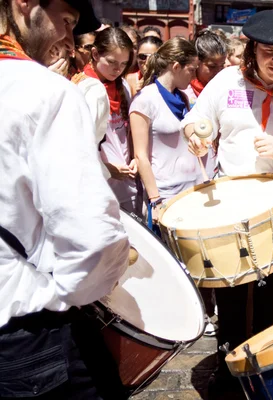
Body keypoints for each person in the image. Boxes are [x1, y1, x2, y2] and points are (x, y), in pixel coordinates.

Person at [180, 9, 273, 395]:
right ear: (253, 50)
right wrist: (195, 136)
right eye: (269, 51)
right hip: (230, 207)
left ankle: (264, 374)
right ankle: (228, 368)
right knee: (230, 294)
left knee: (269, 297)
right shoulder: (229, 82)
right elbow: (198, 120)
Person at [0, 0, 130, 398]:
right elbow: (91, 236)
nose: (69, 41)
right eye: (67, 21)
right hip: (28, 336)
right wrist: (68, 295)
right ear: (26, 4)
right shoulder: (45, 91)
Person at [130, 37, 202, 223]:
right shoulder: (145, 100)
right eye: (191, 70)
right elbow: (140, 156)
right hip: (165, 194)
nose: (194, 76)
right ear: (176, 66)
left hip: (192, 188)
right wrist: (155, 201)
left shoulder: (183, 97)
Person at [72, 28, 141, 215]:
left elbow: (127, 129)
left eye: (123, 64)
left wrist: (135, 156)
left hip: (127, 180)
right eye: (111, 62)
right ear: (95, 54)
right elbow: (80, 143)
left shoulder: (123, 85)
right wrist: (108, 168)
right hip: (100, 183)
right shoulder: (86, 89)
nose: (117, 69)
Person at [187, 29, 227, 103]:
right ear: (197, 62)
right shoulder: (184, 89)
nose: (218, 72)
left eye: (222, 65)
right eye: (212, 66)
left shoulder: (226, 88)